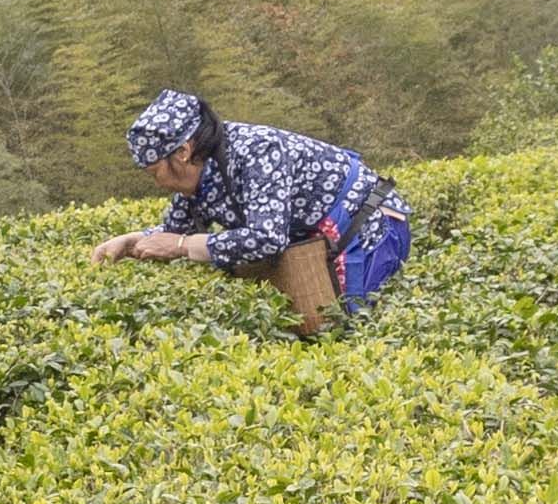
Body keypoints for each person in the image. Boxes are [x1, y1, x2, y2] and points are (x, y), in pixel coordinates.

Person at [97, 90, 416, 332]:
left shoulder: (257, 151)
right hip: (324, 244)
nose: (158, 182)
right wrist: (132, 241)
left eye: (155, 172)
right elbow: (175, 234)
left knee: (349, 330)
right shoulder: (197, 177)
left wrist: (182, 247)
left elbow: (266, 238)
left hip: (367, 228)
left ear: (182, 152)